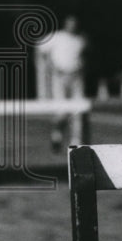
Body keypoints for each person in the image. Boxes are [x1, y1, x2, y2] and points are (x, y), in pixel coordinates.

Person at [39, 15, 87, 150]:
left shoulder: (80, 40)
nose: (73, 26)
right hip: (59, 78)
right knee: (62, 111)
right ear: (66, 24)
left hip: (76, 78)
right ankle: (57, 136)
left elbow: (82, 58)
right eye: (70, 23)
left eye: (75, 23)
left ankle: (76, 142)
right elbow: (41, 50)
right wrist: (50, 68)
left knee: (78, 110)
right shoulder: (56, 37)